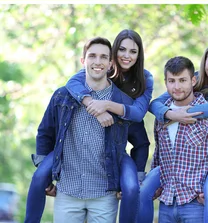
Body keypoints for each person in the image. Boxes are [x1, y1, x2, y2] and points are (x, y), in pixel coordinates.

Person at [30, 37, 134, 222]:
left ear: (110, 64)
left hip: (104, 193)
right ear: (83, 60)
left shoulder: (122, 102)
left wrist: (129, 180)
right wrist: (45, 174)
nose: (97, 61)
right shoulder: (62, 96)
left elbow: (140, 141)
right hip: (68, 192)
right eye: (92, 56)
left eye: (103, 57)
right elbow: (45, 133)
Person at [141, 42, 208, 223]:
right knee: (143, 190)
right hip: (171, 195)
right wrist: (171, 114)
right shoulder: (187, 80)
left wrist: (185, 113)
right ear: (204, 62)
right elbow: (155, 104)